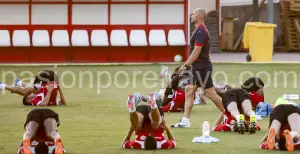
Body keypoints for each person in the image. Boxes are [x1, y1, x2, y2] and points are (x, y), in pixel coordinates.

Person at [172, 8, 224, 128]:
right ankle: (185, 121)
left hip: (202, 68)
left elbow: (197, 51)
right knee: (189, 90)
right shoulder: (198, 30)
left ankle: (229, 114)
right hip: (197, 67)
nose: (191, 16)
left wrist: (185, 65)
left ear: (199, 16)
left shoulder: (201, 31)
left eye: (194, 14)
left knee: (210, 93)